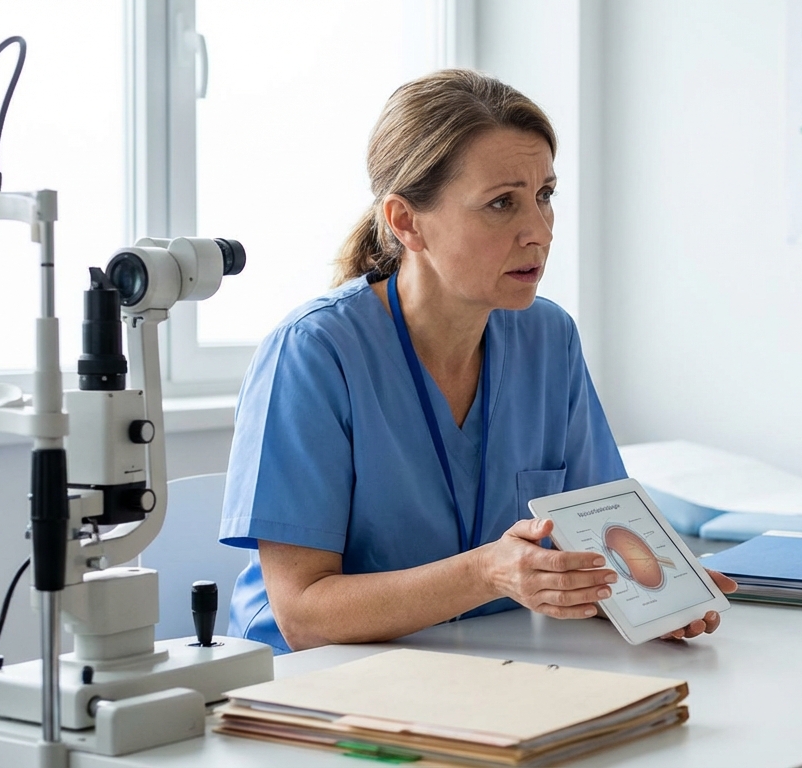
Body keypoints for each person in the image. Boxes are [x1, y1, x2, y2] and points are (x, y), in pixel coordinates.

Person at [219, 69, 733, 654]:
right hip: (317, 685)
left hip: (487, 660)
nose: (538, 232)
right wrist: (488, 572)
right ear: (406, 222)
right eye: (500, 203)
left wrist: (654, 597)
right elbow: (303, 615)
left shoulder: (549, 337)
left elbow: (598, 538)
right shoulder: (314, 352)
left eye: (544, 196)